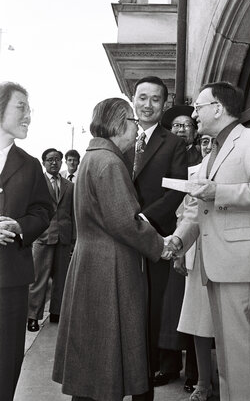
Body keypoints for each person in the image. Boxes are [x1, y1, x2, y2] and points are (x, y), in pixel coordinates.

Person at [168, 81, 250, 400]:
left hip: (242, 263)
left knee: (242, 350)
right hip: (216, 265)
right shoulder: (210, 154)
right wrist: (178, 241)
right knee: (230, 356)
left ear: (218, 108)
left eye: (199, 107)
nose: (194, 113)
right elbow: (196, 210)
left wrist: (220, 192)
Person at [53, 97, 169, 401]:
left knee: (93, 349)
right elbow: (125, 222)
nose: (136, 128)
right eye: (132, 121)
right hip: (110, 265)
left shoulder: (94, 157)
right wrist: (160, 246)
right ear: (118, 124)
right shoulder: (109, 162)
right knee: (108, 350)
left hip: (92, 260)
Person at [126, 76, 188, 393]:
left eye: (155, 99)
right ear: (132, 99)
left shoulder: (174, 144)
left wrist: (143, 220)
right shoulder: (122, 141)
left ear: (163, 105)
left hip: (155, 238)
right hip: (122, 240)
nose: (147, 104)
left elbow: (176, 192)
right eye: (142, 97)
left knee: (153, 312)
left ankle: (148, 374)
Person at [0, 82, 53, 401]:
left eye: (29, 109)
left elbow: (43, 210)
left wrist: (20, 226)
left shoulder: (30, 164)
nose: (28, 115)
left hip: (11, 280)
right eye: (21, 107)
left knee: (6, 360)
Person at [157, 105, 202, 392]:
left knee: (197, 309)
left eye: (187, 124)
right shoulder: (165, 156)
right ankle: (168, 366)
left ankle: (195, 374)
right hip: (166, 239)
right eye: (176, 125)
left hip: (195, 236)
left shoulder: (203, 156)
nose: (182, 129)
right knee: (169, 307)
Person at [175, 134, 216, 401]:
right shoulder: (194, 173)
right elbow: (186, 212)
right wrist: (179, 249)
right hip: (197, 252)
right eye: (203, 141)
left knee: (229, 325)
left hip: (227, 252)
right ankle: (203, 382)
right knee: (200, 322)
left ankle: (230, 379)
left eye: (214, 140)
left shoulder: (234, 164)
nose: (208, 146)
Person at [27, 148, 75, 331]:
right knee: (39, 279)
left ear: (61, 162)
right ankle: (33, 317)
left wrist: (73, 238)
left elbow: (73, 214)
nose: (53, 162)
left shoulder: (70, 186)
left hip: (64, 237)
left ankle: (57, 313)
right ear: (43, 162)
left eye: (57, 159)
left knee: (61, 279)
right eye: (49, 160)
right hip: (42, 237)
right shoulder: (37, 184)